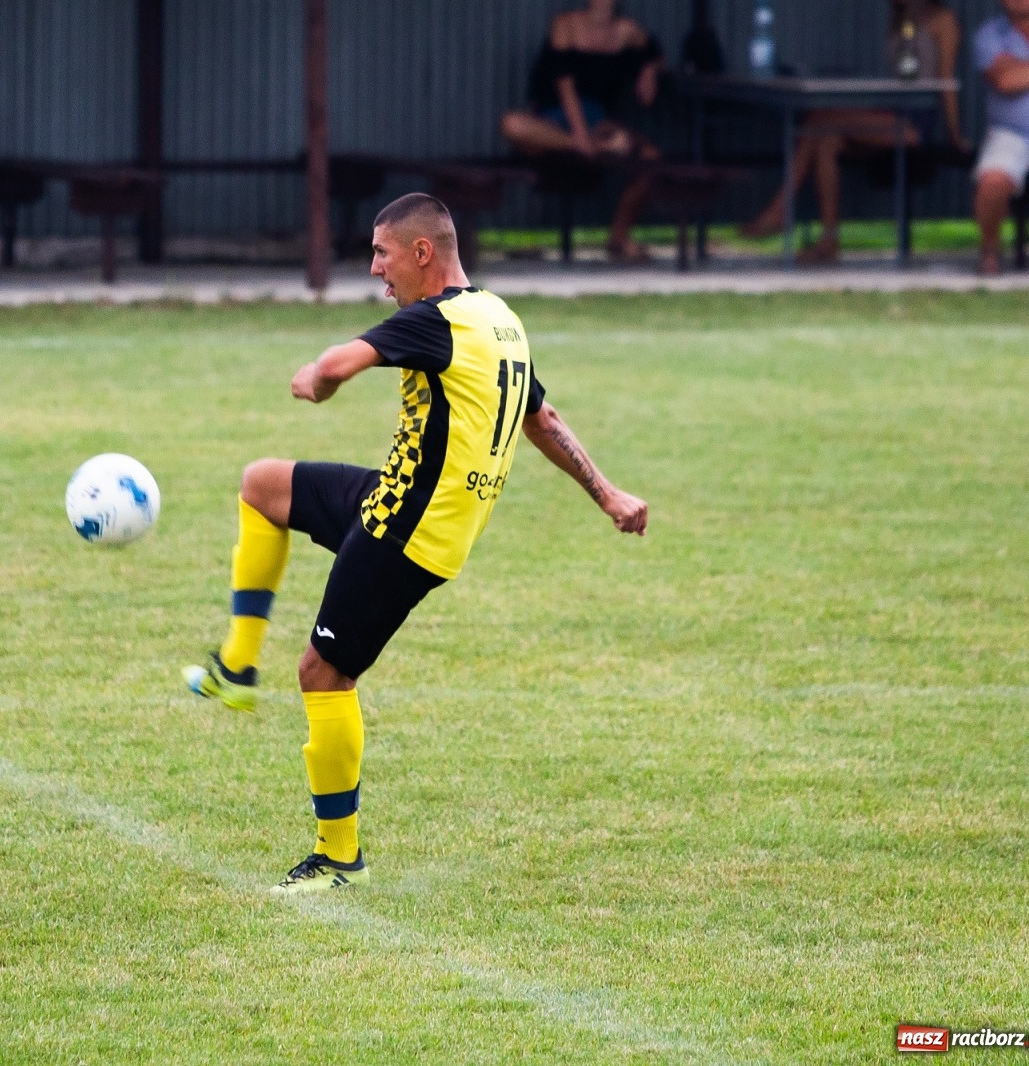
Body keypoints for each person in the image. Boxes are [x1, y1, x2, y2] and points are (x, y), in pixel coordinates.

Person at [182, 193, 649, 895]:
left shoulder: (435, 320)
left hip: (406, 533)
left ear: (422, 252)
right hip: (394, 498)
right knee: (263, 485)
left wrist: (318, 378)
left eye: (382, 253)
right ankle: (237, 669)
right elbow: (541, 416)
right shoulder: (499, 319)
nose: (375, 268)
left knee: (323, 673)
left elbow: (344, 360)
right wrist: (607, 493)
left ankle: (339, 857)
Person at [741, 0, 966, 263]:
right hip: (892, 112)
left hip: (916, 122)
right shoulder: (901, 21)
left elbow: (946, 80)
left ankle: (779, 210)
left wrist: (954, 134)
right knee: (825, 141)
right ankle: (829, 241)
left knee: (817, 119)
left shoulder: (944, 22)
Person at [499, 0, 665, 262]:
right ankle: (588, 146)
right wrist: (579, 138)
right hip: (554, 123)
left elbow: (655, 53)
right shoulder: (565, 25)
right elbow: (564, 83)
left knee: (651, 159)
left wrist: (649, 70)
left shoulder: (627, 31)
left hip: (600, 124)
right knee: (512, 124)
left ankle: (619, 237)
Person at [972, 0, 1029, 275]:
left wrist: (1024, 69)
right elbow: (1006, 81)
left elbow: (1014, 76)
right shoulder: (989, 34)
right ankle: (990, 251)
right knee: (993, 180)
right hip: (1014, 134)